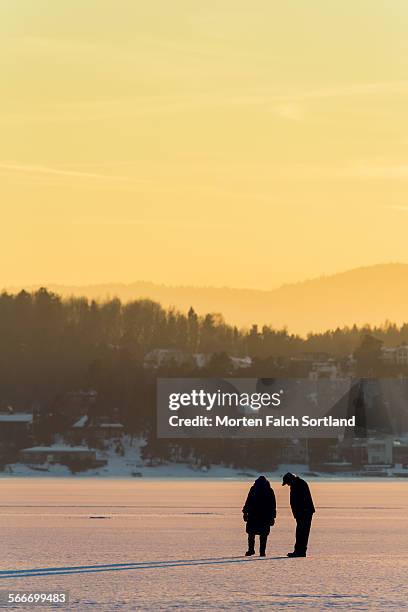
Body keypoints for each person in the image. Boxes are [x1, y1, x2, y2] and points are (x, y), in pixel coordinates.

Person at [282, 472, 315, 557]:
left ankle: (300, 551)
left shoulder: (300, 484)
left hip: (305, 512)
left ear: (291, 480)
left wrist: (301, 512)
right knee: (300, 532)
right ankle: (299, 551)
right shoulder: (296, 484)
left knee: (302, 532)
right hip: (302, 512)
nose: (288, 485)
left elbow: (303, 499)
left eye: (288, 483)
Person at [242, 475, 276, 557]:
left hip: (254, 515)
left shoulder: (254, 489)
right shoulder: (269, 490)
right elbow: (273, 505)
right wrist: (273, 517)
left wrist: (245, 512)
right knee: (263, 535)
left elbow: (248, 501)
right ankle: (262, 552)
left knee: (251, 534)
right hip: (264, 516)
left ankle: (251, 550)